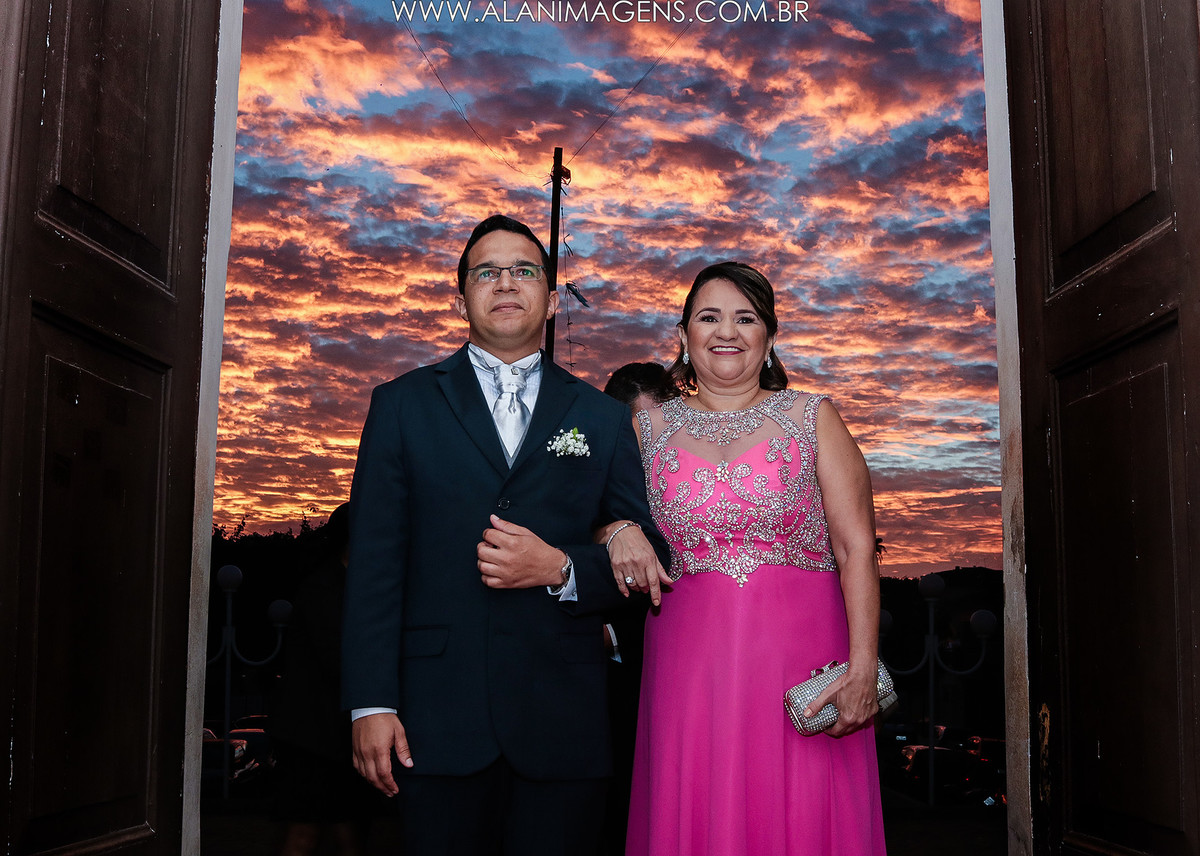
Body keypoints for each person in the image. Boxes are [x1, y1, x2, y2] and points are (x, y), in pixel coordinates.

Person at [340, 214, 668, 856]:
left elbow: (648, 564)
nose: (506, 283)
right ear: (461, 296)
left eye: (524, 271)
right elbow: (376, 566)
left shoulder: (599, 417)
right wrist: (368, 703)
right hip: (433, 720)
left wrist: (562, 568)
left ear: (549, 296)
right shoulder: (400, 405)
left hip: (562, 723)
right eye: (487, 272)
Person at [625, 261, 887, 855]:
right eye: (709, 317)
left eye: (746, 318)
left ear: (769, 338)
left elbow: (857, 548)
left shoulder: (814, 417)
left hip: (803, 667)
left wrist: (863, 665)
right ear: (684, 336)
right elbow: (599, 516)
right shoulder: (648, 431)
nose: (727, 331)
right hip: (689, 673)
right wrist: (618, 527)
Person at [598, 363, 680, 856]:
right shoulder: (597, 479)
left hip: (690, 653)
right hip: (620, 670)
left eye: (658, 424)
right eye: (637, 428)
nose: (648, 440)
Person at [271, 503, 381, 856]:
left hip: (329, 737)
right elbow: (338, 659)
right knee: (311, 833)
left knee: (344, 833)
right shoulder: (324, 588)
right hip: (314, 739)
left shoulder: (346, 585)